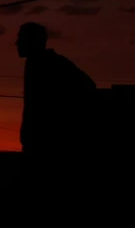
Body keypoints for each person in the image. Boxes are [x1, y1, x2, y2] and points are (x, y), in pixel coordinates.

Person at [15, 22, 98, 218]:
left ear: (31, 41)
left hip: (48, 151)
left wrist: (63, 122)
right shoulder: (36, 64)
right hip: (37, 148)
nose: (17, 43)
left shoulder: (52, 63)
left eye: (20, 38)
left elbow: (88, 87)